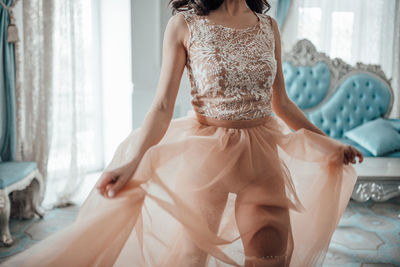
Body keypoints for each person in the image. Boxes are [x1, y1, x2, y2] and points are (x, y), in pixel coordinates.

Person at [2, 0, 363, 266]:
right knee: (188, 258)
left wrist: (328, 142)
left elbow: (282, 102)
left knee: (272, 256)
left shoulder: (268, 27)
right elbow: (161, 107)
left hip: (262, 156)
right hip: (207, 155)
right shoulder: (185, 24)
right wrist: (132, 162)